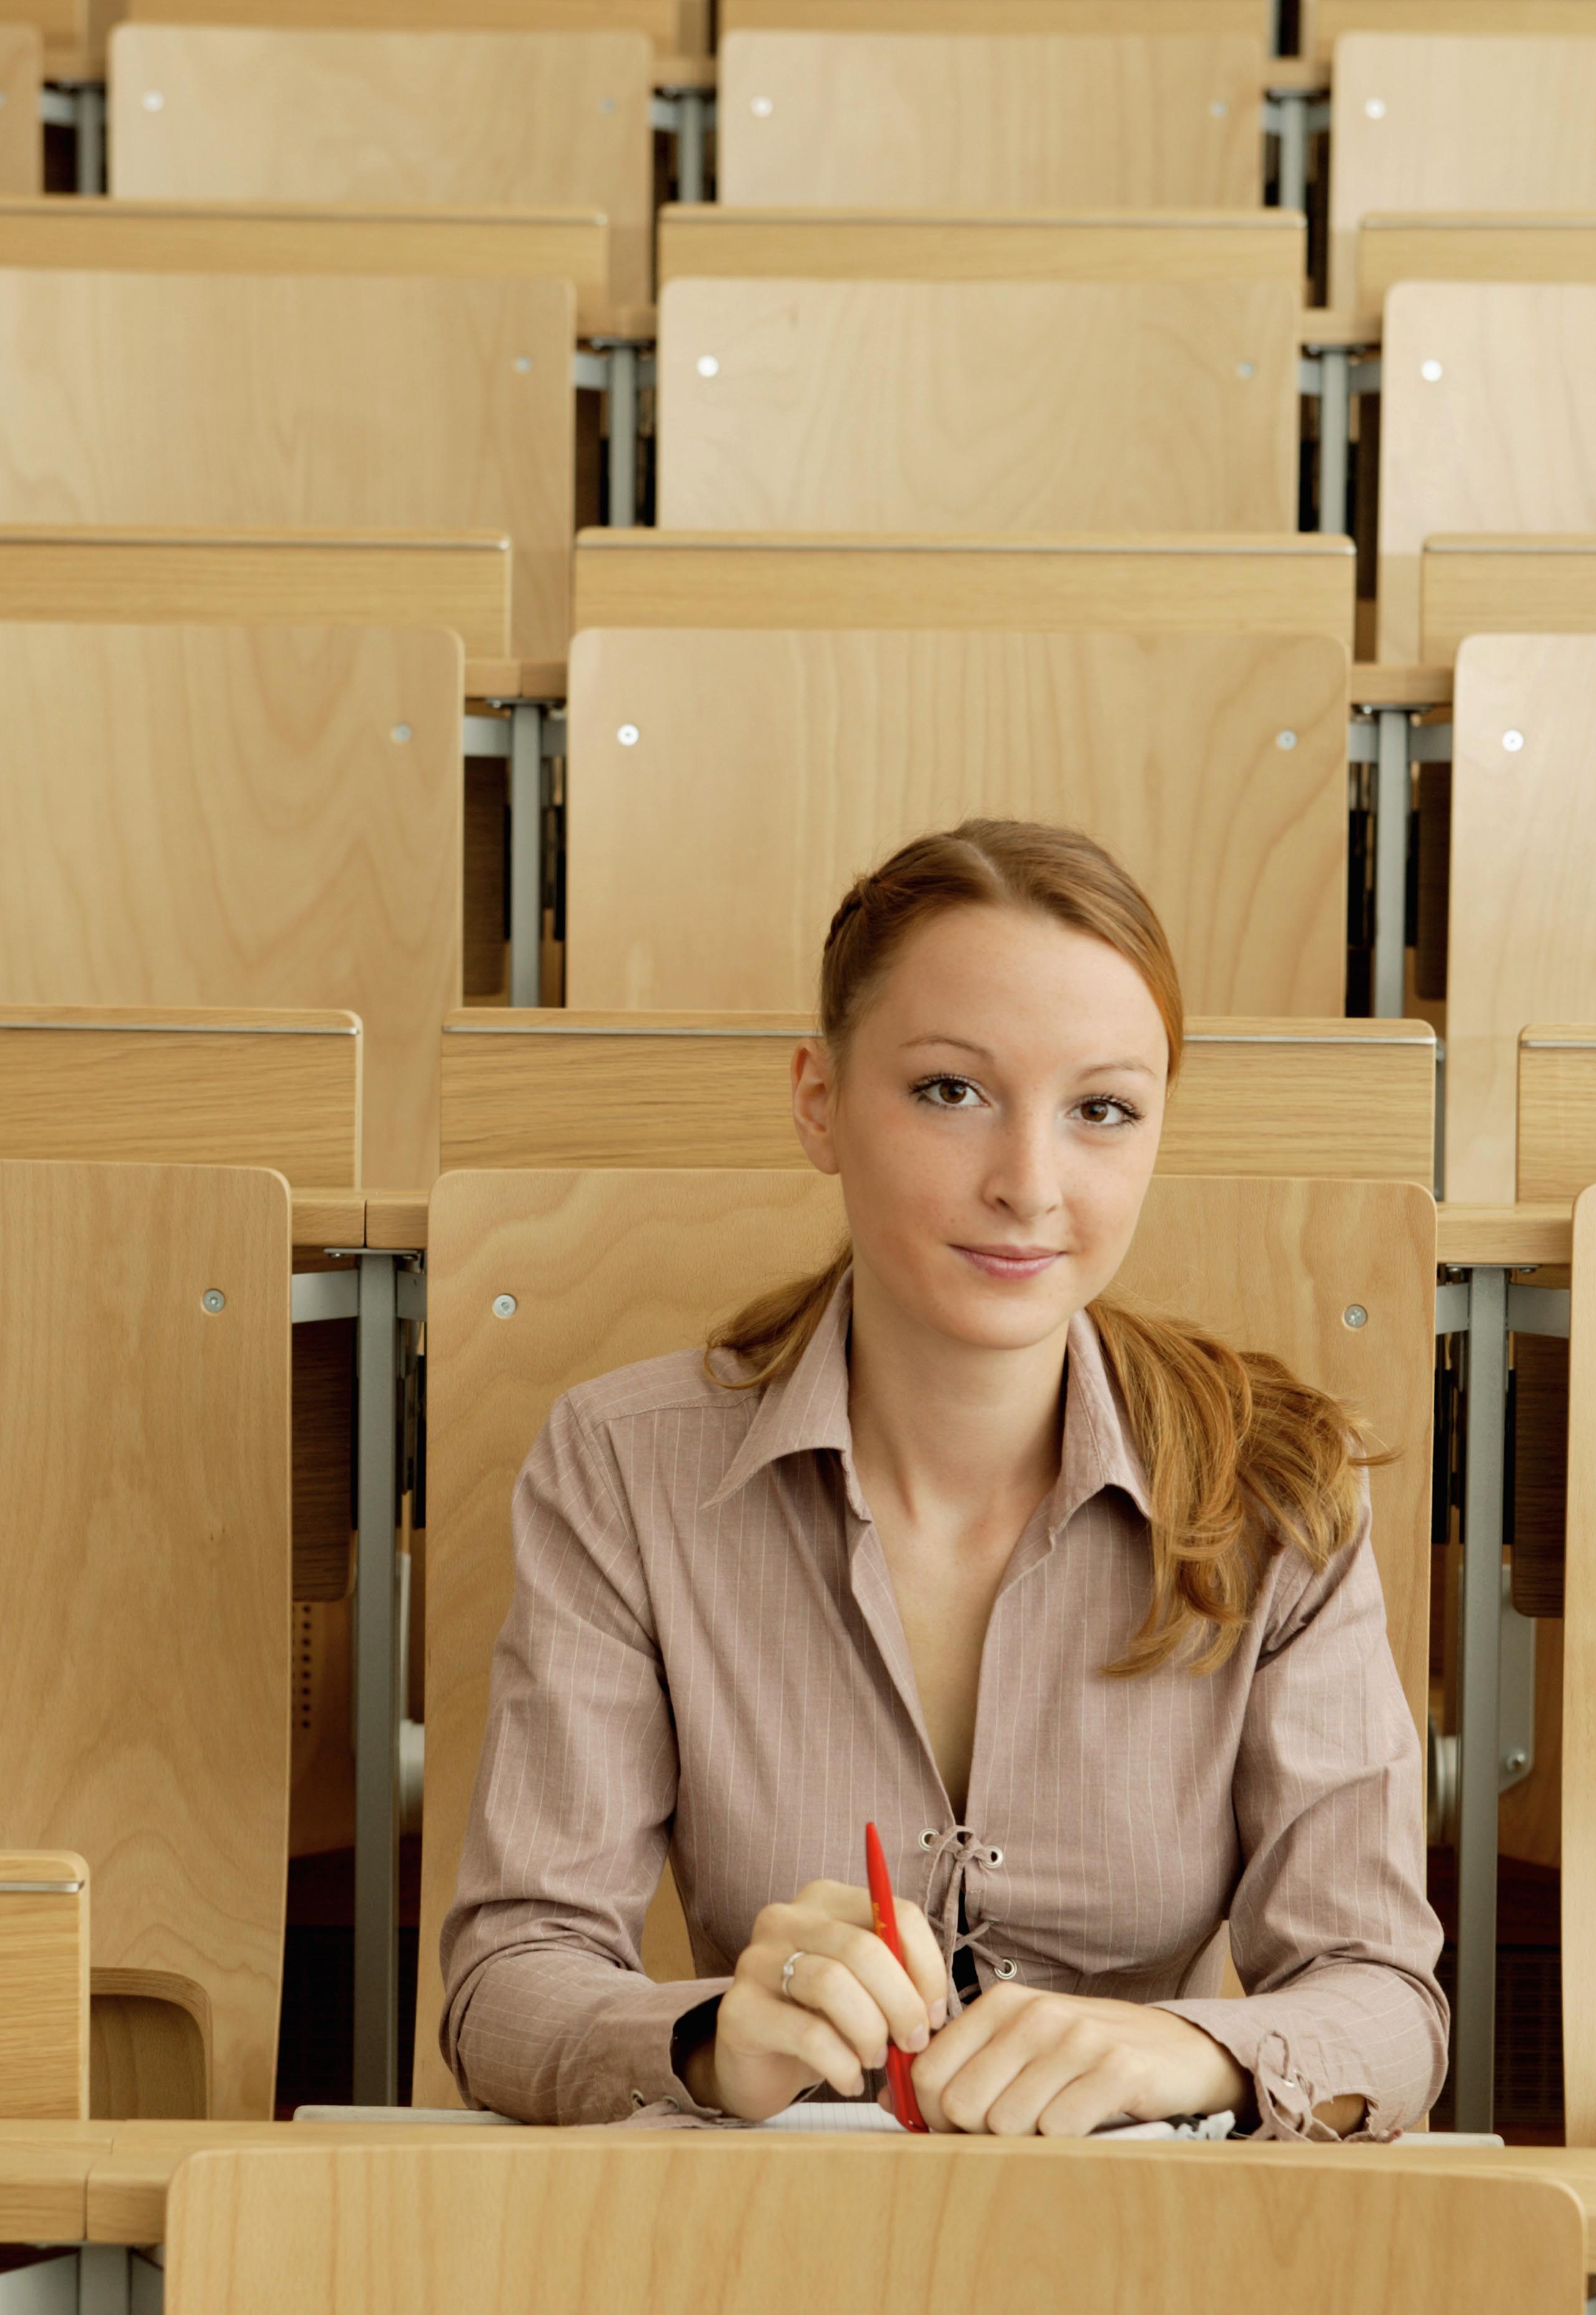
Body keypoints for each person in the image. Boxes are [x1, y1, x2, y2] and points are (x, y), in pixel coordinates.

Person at [440, 820, 1446, 2140]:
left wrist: (1183, 2052)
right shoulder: (621, 1466)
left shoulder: (1278, 1491)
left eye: (1101, 1110)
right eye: (950, 1091)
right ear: (819, 1101)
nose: (1028, 1185)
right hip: (764, 2225)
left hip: (1144, 2229)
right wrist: (709, 2042)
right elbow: (507, 1983)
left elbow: (1386, 2002)